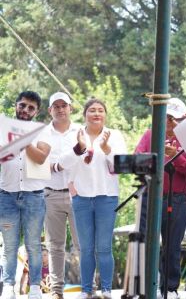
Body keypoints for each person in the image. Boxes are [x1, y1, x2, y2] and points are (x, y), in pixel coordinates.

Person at [59, 99, 127, 299]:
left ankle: (106, 289)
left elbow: (121, 166)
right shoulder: (75, 134)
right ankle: (86, 290)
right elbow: (63, 162)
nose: (96, 114)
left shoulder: (114, 135)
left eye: (100, 111)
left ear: (105, 115)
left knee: (104, 247)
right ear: (85, 115)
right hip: (81, 198)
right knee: (86, 248)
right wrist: (70, 183)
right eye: (92, 110)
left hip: (107, 197)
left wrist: (106, 148)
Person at [135, 98, 186, 299]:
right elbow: (136, 161)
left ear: (184, 118)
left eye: (173, 119)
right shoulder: (151, 134)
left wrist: (176, 156)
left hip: (177, 198)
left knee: (173, 245)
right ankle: (143, 288)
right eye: (166, 117)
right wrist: (156, 157)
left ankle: (169, 287)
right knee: (146, 242)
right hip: (151, 197)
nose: (169, 123)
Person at [0, 91, 51, 299]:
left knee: (33, 244)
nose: (25, 110)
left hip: (34, 197)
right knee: (9, 244)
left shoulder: (43, 131)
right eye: (22, 105)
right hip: (6, 195)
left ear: (36, 112)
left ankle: (36, 287)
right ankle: (10, 286)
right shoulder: (3, 127)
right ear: (16, 105)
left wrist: (24, 139)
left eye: (31, 108)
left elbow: (41, 157)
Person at [42, 92, 81, 299]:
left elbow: (85, 160)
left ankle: (89, 288)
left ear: (70, 108)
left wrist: (58, 165)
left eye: (63, 105)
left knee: (82, 244)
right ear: (50, 110)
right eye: (55, 106)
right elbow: (37, 164)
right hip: (50, 194)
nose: (60, 109)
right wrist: (55, 166)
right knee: (55, 246)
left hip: (78, 195)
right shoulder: (42, 133)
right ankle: (56, 291)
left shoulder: (80, 132)